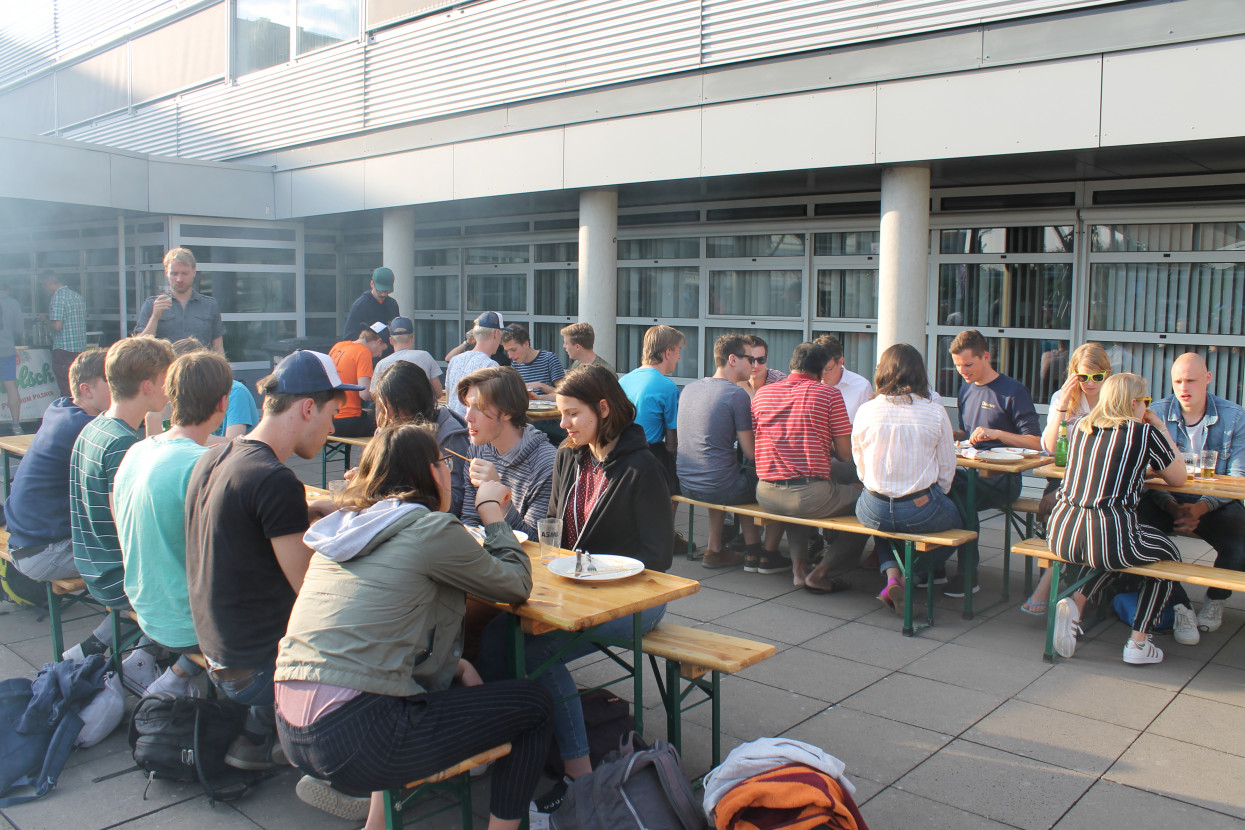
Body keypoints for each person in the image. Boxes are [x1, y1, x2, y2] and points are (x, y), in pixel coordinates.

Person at [276, 424, 552, 830]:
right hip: (359, 730)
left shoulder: (342, 531)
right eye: (445, 463)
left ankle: (378, 824)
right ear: (432, 471)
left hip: (290, 724)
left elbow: (375, 628)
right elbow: (515, 585)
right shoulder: (430, 529)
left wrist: (455, 664)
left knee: (398, 687)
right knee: (536, 705)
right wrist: (492, 511)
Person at [477, 365, 673, 818]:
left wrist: (596, 570)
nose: (561, 424)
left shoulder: (643, 467)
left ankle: (579, 777)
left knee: (535, 649)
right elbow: (555, 534)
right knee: (494, 637)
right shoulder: (569, 456)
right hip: (574, 589)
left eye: (571, 414)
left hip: (634, 599)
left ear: (603, 409)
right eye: (562, 414)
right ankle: (511, 742)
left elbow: (658, 558)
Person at [186, 349, 355, 770]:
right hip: (255, 670)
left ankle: (259, 735)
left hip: (214, 651)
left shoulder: (216, 456)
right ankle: (341, 768)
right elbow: (311, 593)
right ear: (308, 407)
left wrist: (308, 511)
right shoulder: (273, 479)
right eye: (332, 414)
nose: (332, 428)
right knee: (374, 638)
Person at [113, 350, 233, 698]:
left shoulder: (137, 451)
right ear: (223, 402)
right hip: (187, 623)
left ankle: (173, 678)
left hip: (145, 608)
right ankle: (258, 724)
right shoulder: (207, 465)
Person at [1046, 373, 1185, 665]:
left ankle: (1075, 604)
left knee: (1119, 554)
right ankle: (1139, 642)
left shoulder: (1084, 428)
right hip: (1108, 533)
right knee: (1167, 556)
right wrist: (1161, 428)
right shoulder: (1143, 432)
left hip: (1061, 533)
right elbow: (1178, 478)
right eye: (1145, 402)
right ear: (1135, 403)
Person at [69, 336, 175, 693]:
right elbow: (130, 528)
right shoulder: (122, 445)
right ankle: (149, 668)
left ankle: (97, 649)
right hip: (117, 575)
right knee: (204, 579)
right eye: (166, 379)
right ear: (148, 386)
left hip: (90, 561)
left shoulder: (94, 427)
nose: (170, 389)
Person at [6, 349, 117, 661]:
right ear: (86, 389)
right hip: (42, 552)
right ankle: (101, 646)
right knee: (149, 569)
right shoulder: (85, 430)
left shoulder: (60, 410)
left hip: (27, 542)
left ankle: (135, 645)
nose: (120, 387)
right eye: (111, 381)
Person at [1137, 352, 1245, 642]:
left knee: (1241, 536)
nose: (1184, 387)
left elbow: (1237, 478)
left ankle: (1216, 600)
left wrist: (1200, 507)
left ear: (1208, 379)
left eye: (1191, 380)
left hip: (1214, 502)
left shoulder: (1235, 416)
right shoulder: (1154, 413)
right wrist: (1172, 506)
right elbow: (1146, 473)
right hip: (1166, 500)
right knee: (1139, 530)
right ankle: (1179, 605)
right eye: (1178, 381)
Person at [852, 344, 962, 615]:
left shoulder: (866, 410)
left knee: (884, 525)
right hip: (919, 508)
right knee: (961, 526)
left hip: (872, 506)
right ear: (920, 373)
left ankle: (891, 577)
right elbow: (948, 470)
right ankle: (908, 577)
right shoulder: (935, 412)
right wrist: (936, 494)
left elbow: (860, 464)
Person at [752, 342, 858, 593]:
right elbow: (845, 455)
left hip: (765, 493)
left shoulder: (763, 395)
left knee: (796, 499)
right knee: (869, 507)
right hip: (808, 496)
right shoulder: (829, 395)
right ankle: (821, 573)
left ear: (791, 367)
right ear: (822, 372)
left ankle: (799, 569)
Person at [947, 329, 1041, 597]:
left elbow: (1035, 442)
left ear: (985, 357)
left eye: (968, 364)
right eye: (957, 366)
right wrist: (949, 434)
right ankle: (933, 565)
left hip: (1005, 479)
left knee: (961, 495)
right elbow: (969, 435)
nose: (963, 371)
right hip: (973, 469)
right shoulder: (966, 388)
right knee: (940, 487)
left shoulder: (1013, 391)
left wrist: (998, 434)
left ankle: (967, 574)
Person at [1020, 343, 1111, 616]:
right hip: (1066, 478)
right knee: (1059, 509)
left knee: (1077, 517)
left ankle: (1053, 587)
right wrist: (1062, 408)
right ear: (1073, 374)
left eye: (1097, 376)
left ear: (1107, 374)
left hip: (1100, 480)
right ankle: (1063, 590)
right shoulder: (1064, 397)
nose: (1090, 383)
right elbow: (1048, 447)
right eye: (1083, 377)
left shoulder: (1113, 398)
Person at [676, 334, 761, 569]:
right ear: (733, 359)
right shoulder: (736, 395)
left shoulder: (690, 389)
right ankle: (758, 551)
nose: (753, 365)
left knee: (727, 469)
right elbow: (751, 452)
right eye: (749, 359)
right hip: (717, 486)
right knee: (768, 482)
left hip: (687, 484)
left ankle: (714, 549)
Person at [456, 366, 556, 537]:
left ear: (507, 412)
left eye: (478, 407)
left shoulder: (546, 463)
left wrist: (501, 498)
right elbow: (470, 520)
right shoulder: (478, 449)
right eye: (467, 406)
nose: (468, 417)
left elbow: (535, 542)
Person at [372, 360, 469, 515]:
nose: (388, 416)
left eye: (394, 407)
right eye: (384, 407)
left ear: (413, 401)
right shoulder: (387, 429)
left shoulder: (449, 436)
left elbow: (454, 502)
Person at [135, 248, 224, 353]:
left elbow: (218, 348)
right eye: (174, 274)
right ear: (166, 272)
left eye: (184, 273)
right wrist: (155, 317)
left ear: (193, 271)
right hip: (166, 368)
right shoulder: (152, 304)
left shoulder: (210, 305)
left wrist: (222, 369)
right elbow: (139, 348)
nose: (179, 279)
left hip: (200, 367)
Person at [443, 312, 504, 419]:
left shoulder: (455, 360)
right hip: (473, 428)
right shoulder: (491, 365)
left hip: (452, 426)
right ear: (496, 333)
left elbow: (448, 399)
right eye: (501, 335)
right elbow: (492, 406)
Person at [329, 325, 387, 437]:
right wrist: (383, 392)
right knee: (388, 424)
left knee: (368, 414)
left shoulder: (338, 346)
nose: (379, 355)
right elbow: (364, 394)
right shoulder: (363, 352)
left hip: (329, 418)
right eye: (382, 350)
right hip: (348, 421)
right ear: (378, 342)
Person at [38, 270, 86, 399]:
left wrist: (45, 320)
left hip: (63, 349)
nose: (44, 289)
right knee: (79, 384)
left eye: (43, 285)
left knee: (66, 386)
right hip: (80, 348)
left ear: (49, 283)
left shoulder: (57, 297)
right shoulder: (76, 296)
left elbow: (57, 326)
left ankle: (69, 412)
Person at [369, 316, 443, 399]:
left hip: (393, 411)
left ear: (391, 340)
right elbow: (438, 393)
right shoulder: (425, 356)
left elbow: (376, 397)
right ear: (412, 338)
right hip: (422, 411)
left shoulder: (381, 364)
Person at [815, 335, 872, 421]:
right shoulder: (807, 385)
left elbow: (867, 424)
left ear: (841, 362)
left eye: (827, 369)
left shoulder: (862, 386)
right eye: (817, 368)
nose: (822, 374)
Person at [501, 323, 565, 401]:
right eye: (507, 351)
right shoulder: (515, 364)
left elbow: (565, 393)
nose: (510, 356)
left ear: (526, 344)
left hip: (547, 412)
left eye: (513, 350)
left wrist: (541, 386)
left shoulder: (549, 359)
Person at [341, 266, 400, 348]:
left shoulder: (392, 304)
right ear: (372, 284)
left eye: (387, 291)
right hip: (368, 354)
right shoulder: (360, 305)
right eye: (380, 291)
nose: (383, 294)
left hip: (389, 354)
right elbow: (348, 338)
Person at [0, 284, 25, 434]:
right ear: (7, 289)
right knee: (11, 386)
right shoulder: (12, 303)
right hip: (6, 350)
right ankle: (16, 425)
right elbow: (19, 329)